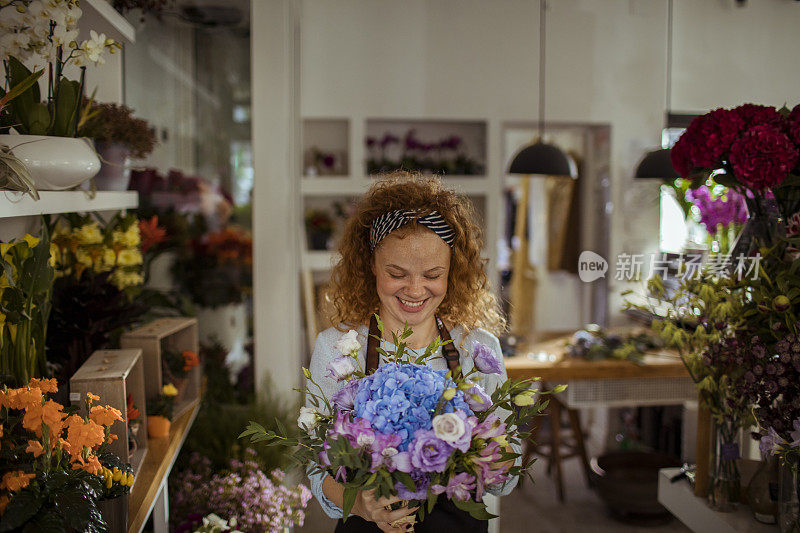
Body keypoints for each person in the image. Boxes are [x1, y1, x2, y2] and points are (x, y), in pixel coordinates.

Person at [307, 172, 519, 533]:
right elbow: (316, 466)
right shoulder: (337, 349)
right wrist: (359, 502)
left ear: (453, 271)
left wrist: (489, 457)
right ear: (371, 263)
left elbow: (505, 477)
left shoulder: (477, 348)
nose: (416, 289)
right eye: (397, 272)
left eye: (432, 273)